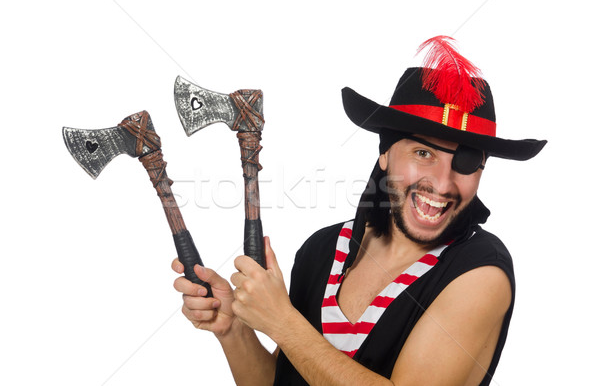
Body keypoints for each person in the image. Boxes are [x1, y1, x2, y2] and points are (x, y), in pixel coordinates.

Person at [172, 36, 546, 386]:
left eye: (466, 163)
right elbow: (286, 378)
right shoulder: (322, 249)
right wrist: (233, 330)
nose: (444, 183)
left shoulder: (480, 273)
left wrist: (283, 321)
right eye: (423, 153)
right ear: (385, 153)